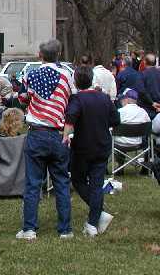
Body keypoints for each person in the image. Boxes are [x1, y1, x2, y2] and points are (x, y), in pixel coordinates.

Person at [16, 39, 73, 240]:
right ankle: (65, 229)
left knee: (32, 183)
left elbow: (23, 97)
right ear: (58, 54)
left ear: (41, 55)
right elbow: (71, 98)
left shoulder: (32, 75)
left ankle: (29, 228)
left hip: (37, 132)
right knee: (62, 183)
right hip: (59, 133)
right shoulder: (67, 75)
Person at [63, 65, 119, 237]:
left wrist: (66, 136)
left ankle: (97, 215)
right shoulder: (104, 98)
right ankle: (94, 221)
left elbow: (71, 118)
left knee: (79, 180)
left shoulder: (77, 99)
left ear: (76, 81)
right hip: (102, 145)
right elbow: (116, 119)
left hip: (83, 147)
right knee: (96, 183)